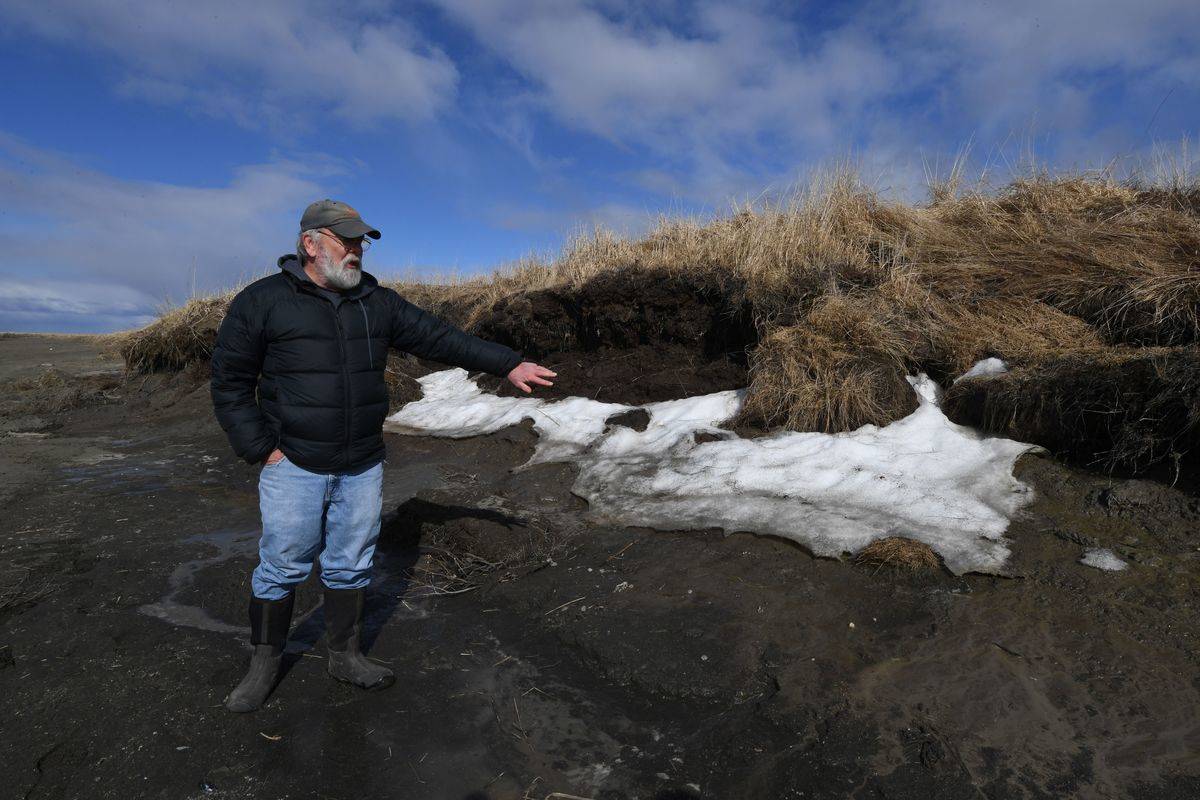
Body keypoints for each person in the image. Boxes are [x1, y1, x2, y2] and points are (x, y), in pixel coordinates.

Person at [210, 199, 556, 712]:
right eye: (345, 240)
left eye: (360, 242)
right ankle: (263, 666)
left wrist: (507, 364)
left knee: (350, 565)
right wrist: (262, 448)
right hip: (296, 462)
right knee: (283, 565)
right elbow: (231, 382)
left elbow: (442, 338)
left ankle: (345, 657)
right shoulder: (262, 301)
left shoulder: (379, 302)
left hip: (362, 462)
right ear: (310, 243)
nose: (356, 250)